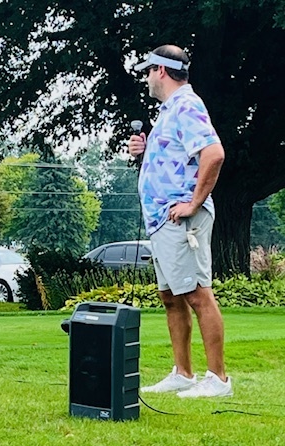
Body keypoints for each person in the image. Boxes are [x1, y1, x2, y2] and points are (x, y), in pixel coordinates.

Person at [128, 45, 231, 397]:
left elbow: (214, 154)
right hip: (162, 220)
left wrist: (193, 203)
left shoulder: (187, 104)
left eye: (148, 71)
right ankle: (183, 373)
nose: (146, 79)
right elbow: (177, 158)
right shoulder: (169, 111)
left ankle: (218, 379)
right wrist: (147, 152)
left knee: (198, 294)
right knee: (171, 296)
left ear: (160, 71)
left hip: (182, 220)